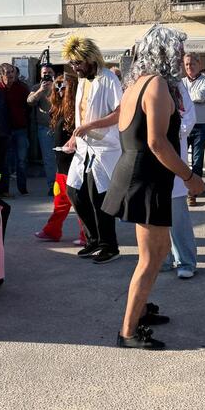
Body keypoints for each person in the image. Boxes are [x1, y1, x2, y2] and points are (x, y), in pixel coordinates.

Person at [103, 26, 205, 348]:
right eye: (176, 50)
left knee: (158, 252)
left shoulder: (136, 83)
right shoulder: (156, 85)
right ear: (162, 52)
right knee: (150, 258)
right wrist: (190, 177)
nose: (180, 56)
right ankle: (128, 332)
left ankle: (142, 309)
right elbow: (157, 142)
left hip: (142, 175)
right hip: (145, 178)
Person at [63, 35, 123, 264]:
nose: (74, 67)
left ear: (89, 59)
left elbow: (119, 113)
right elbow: (82, 115)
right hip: (84, 147)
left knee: (98, 196)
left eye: (77, 62)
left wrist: (90, 126)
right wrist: (73, 137)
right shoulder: (83, 80)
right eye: (72, 63)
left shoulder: (108, 79)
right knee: (74, 191)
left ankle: (109, 245)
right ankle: (94, 239)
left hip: (104, 147)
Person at [35, 73, 85, 244]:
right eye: (57, 86)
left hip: (74, 166)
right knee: (61, 202)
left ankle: (87, 235)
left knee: (79, 203)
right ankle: (52, 231)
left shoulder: (78, 112)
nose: (59, 89)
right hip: (61, 167)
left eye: (64, 86)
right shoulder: (58, 110)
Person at [167, 77, 199, 278]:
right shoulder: (141, 86)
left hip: (172, 152)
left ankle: (186, 261)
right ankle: (162, 258)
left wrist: (168, 132)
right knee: (155, 216)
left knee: (177, 213)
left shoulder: (176, 86)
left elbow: (189, 116)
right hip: (149, 161)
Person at [183, 53, 205, 206]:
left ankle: (192, 193)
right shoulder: (180, 82)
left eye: (192, 64)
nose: (189, 67)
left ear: (199, 64)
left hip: (200, 126)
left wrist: (183, 97)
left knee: (197, 160)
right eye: (187, 64)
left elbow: (200, 96)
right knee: (181, 158)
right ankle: (180, 191)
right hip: (184, 126)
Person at [0, 63, 30, 195]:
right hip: (4, 131)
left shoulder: (21, 88)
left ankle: (22, 188)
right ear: (1, 75)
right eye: (7, 72)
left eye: (12, 72)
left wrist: (23, 120)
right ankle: (5, 190)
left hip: (20, 129)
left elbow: (28, 107)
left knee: (21, 160)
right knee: (6, 161)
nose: (10, 75)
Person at [27, 65, 57, 195]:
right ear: (40, 75)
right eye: (45, 73)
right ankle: (52, 185)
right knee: (49, 158)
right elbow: (30, 101)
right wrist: (41, 90)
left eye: (50, 72)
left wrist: (55, 86)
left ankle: (64, 185)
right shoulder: (36, 88)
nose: (47, 75)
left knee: (62, 158)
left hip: (60, 127)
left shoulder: (61, 84)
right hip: (44, 128)